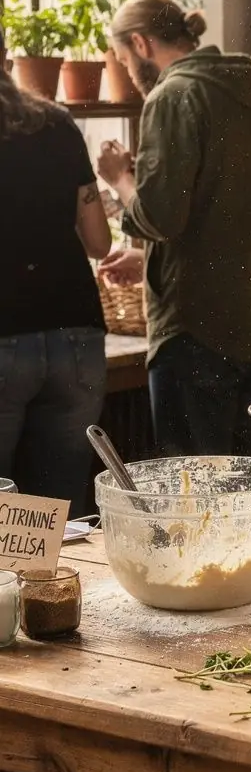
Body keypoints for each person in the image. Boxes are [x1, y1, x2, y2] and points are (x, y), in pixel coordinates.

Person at [96, 0, 251, 457]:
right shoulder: (246, 91)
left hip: (197, 327)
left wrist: (120, 179)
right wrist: (148, 259)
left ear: (141, 43)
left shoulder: (173, 94)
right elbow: (228, 214)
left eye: (123, 59)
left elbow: (159, 217)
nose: (126, 71)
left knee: (192, 495)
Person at [0, 35, 110, 515]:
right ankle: (52, 590)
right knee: (57, 512)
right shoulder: (58, 123)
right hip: (76, 338)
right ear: (5, 59)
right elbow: (101, 243)